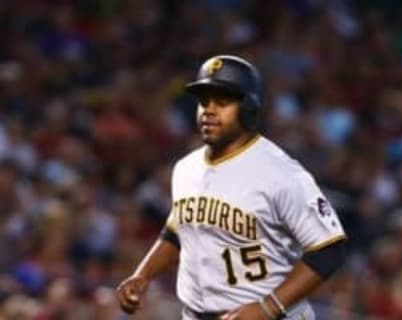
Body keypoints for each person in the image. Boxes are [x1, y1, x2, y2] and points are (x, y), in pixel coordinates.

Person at [116, 55, 347, 320]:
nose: (209, 110)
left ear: (249, 108)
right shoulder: (186, 168)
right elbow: (177, 231)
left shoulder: (281, 172)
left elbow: (330, 249)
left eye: (222, 101)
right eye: (204, 101)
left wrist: (268, 307)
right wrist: (142, 275)